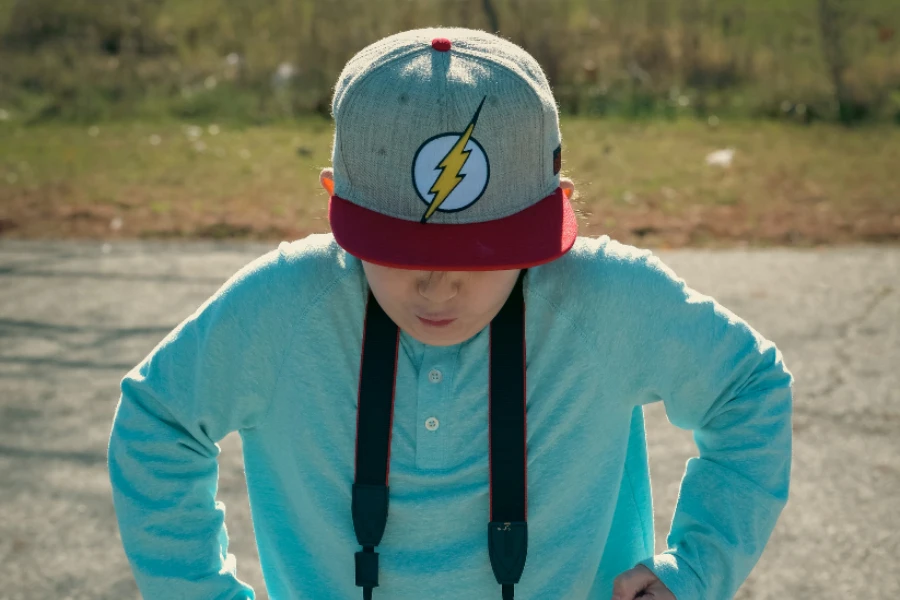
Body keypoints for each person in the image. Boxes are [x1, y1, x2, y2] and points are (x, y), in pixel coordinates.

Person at [107, 28, 793, 600]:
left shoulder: (603, 297)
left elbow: (748, 389)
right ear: (334, 202)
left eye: (481, 252)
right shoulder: (286, 304)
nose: (437, 289)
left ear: (553, 207)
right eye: (400, 252)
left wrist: (695, 572)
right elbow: (159, 419)